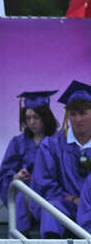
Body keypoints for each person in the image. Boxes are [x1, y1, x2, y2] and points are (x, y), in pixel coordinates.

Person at [0, 91, 58, 236]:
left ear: (45, 117)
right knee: (21, 198)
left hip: (50, 191)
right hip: (26, 192)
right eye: (28, 117)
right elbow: (4, 174)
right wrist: (16, 176)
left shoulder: (58, 142)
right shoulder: (18, 143)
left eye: (36, 117)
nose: (31, 122)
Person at [38, 81, 91, 234]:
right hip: (65, 203)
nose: (78, 119)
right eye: (73, 114)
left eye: (83, 113)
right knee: (51, 209)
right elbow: (45, 183)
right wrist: (73, 200)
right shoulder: (52, 145)